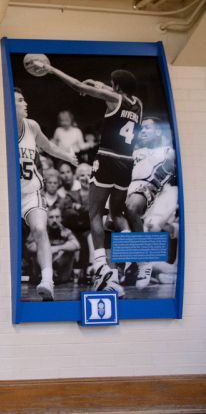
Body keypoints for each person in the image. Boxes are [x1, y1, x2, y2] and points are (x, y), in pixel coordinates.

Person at [39, 62, 143, 297]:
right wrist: (99, 84)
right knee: (117, 215)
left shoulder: (112, 99)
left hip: (107, 159)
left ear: (115, 86)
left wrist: (53, 70)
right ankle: (124, 262)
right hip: (127, 162)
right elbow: (114, 91)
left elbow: (77, 86)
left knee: (95, 213)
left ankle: (101, 266)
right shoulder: (138, 104)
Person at [15, 87, 79, 300]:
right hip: (7, 196)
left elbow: (49, 146)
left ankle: (47, 281)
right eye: (21, 100)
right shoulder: (0, 129)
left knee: (40, 230)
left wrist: (68, 157)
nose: (26, 104)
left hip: (31, 192)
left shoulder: (31, 126)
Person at [125, 117, 178, 289]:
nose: (143, 131)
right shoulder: (133, 152)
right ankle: (136, 267)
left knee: (149, 222)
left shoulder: (168, 150)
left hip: (157, 193)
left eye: (148, 128)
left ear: (158, 131)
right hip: (135, 193)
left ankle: (154, 267)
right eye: (141, 129)